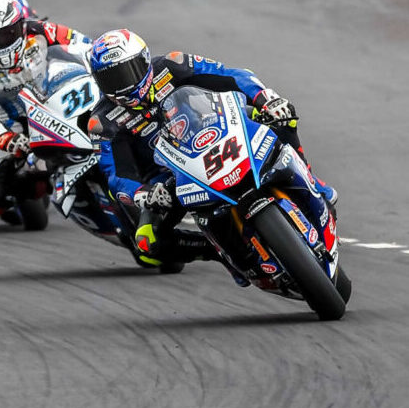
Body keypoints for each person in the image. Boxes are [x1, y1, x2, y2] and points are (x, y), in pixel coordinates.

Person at [86, 28, 332, 269]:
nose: (122, 85)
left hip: (214, 134)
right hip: (169, 180)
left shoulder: (172, 65)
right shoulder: (103, 121)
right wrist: (143, 193)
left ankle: (312, 182)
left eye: (128, 71)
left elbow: (231, 76)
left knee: (280, 116)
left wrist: (265, 99)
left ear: (145, 61)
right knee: (147, 241)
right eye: (111, 78)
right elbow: (116, 176)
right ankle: (219, 251)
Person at [0, 0, 89, 217]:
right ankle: (36, 185)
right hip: (11, 125)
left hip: (55, 105)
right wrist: (8, 140)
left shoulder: (43, 30)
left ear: (21, 25)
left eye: (8, 33)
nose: (1, 42)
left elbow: (88, 48)